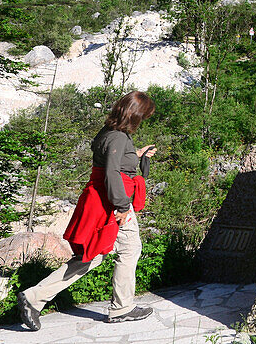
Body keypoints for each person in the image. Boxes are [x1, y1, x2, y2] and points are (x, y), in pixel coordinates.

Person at [18, 91, 158, 330]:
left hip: (101, 201)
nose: (142, 121)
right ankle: (122, 308)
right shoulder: (119, 139)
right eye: (143, 116)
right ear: (135, 115)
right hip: (113, 204)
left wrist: (137, 154)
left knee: (93, 255)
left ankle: (34, 297)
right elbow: (113, 173)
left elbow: (111, 162)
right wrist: (123, 206)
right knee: (126, 249)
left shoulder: (108, 133)